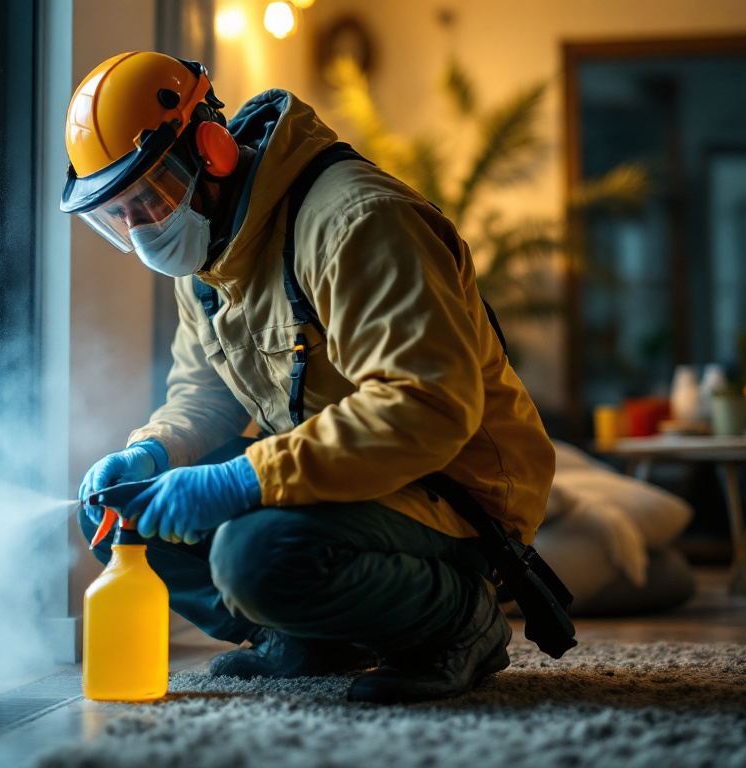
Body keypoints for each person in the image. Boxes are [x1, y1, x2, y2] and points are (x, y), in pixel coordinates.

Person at [64, 51, 555, 704]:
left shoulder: (356, 220)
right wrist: (151, 451)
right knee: (123, 514)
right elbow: (202, 393)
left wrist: (244, 479)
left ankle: (459, 619)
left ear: (211, 149)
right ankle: (310, 636)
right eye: (117, 215)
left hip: (449, 494)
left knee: (254, 555)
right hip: (342, 480)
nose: (139, 228)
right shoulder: (207, 257)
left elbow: (427, 406)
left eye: (148, 198)